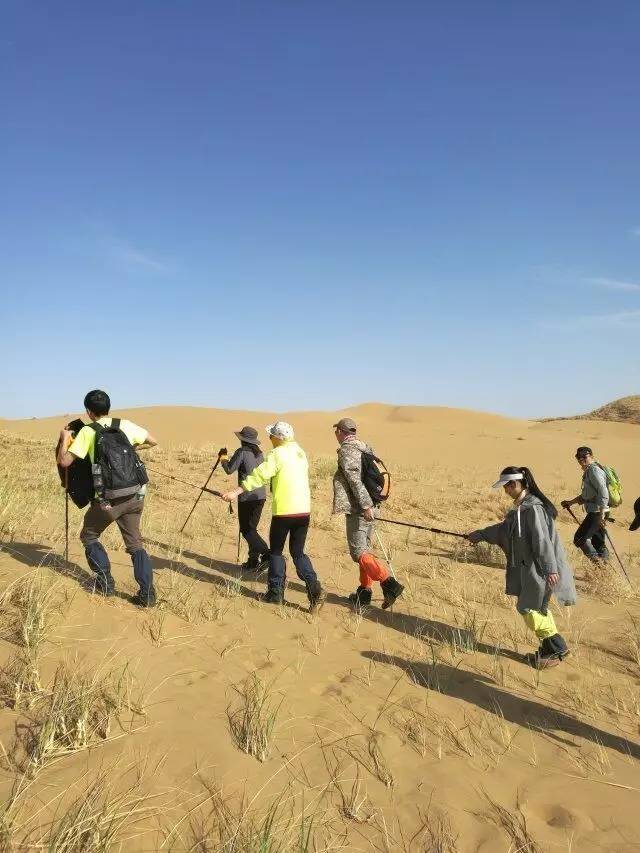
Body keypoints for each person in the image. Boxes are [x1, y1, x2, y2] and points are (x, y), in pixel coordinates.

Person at [56, 389, 158, 607]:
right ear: (109, 408)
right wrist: (130, 448)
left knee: (89, 536)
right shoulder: (125, 424)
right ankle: (148, 595)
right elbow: (153, 441)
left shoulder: (88, 432)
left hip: (108, 499)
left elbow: (64, 461)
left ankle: (105, 583)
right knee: (135, 544)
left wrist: (65, 439)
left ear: (88, 411)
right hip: (135, 494)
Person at [467, 466, 576, 668]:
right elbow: (504, 529)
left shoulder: (532, 508)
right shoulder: (521, 507)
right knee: (538, 608)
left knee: (527, 608)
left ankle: (556, 646)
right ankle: (548, 648)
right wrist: (481, 534)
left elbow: (542, 541)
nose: (505, 491)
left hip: (538, 569)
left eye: (507, 487)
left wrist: (550, 569)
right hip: (530, 568)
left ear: (515, 484)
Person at [221, 421, 325, 612]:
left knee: (276, 552)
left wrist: (236, 492)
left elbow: (259, 476)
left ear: (278, 438)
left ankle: (275, 593)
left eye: (272, 436)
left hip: (284, 511)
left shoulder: (277, 454)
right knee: (298, 553)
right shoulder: (299, 452)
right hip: (303, 511)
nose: (269, 439)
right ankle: (315, 589)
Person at [332, 417, 403, 609]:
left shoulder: (348, 450)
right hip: (373, 506)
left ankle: (389, 584)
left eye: (336, 430)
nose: (335, 434)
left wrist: (364, 506)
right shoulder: (365, 447)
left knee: (358, 552)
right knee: (366, 550)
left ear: (341, 431)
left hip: (362, 509)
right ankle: (364, 592)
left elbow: (355, 481)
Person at [219, 426, 269, 572]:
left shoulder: (242, 452)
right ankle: (253, 560)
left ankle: (268, 554)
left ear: (242, 440)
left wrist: (223, 458)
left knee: (247, 530)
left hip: (246, 496)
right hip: (260, 496)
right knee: (252, 530)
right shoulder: (260, 454)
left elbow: (229, 469)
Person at [561, 446, 609, 562]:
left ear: (591, 456)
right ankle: (605, 568)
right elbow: (587, 496)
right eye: (579, 458)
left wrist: (601, 515)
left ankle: (599, 566)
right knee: (597, 542)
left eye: (585, 457)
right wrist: (570, 503)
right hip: (599, 511)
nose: (582, 460)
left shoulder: (593, 470)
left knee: (579, 538)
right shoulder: (591, 470)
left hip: (597, 512)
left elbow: (603, 491)